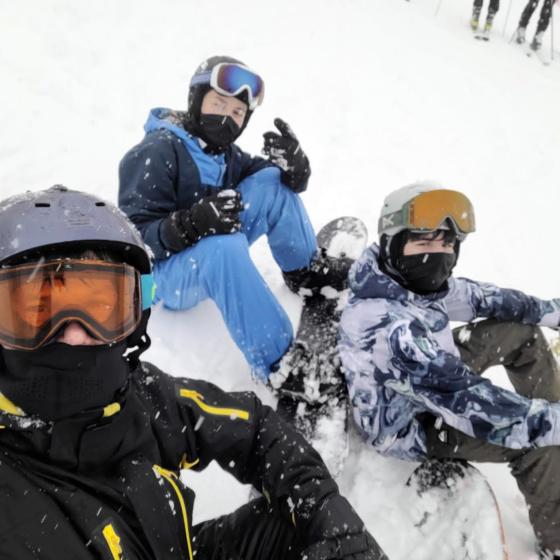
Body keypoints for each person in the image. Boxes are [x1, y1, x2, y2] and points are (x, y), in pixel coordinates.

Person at [0, 185, 387, 560]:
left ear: (135, 314)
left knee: (296, 527)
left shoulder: (138, 396)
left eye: (100, 307)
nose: (74, 335)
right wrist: (183, 224)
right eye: (37, 310)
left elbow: (252, 428)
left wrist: (326, 511)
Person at [338, 182, 560, 558]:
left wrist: (551, 312)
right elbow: (470, 402)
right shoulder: (387, 328)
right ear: (393, 242)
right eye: (424, 241)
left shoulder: (406, 281)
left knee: (521, 333)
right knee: (536, 442)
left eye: (446, 243)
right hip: (409, 424)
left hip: (434, 376)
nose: (438, 254)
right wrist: (545, 426)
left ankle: (554, 437)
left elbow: (483, 298)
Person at [119, 55, 348, 382]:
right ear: (196, 101)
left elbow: (264, 177)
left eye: (238, 113)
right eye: (218, 104)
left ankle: (306, 273)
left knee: (271, 181)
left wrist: (294, 171)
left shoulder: (219, 151)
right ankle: (282, 367)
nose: (227, 118)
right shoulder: (158, 150)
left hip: (202, 252)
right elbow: (133, 244)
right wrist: (191, 224)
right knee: (223, 248)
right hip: (160, 279)